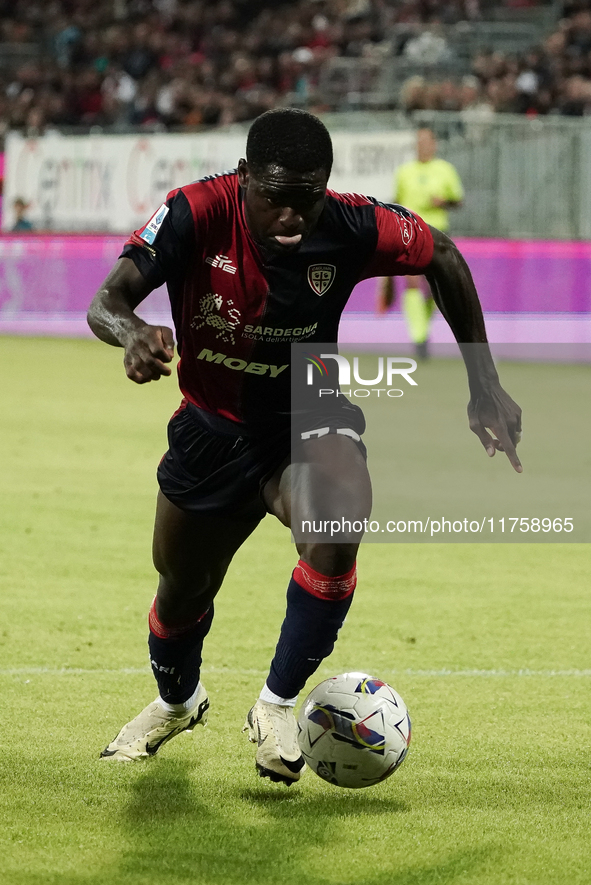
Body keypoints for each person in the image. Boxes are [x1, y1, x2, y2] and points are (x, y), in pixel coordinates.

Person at [87, 108, 522, 785]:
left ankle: (277, 704)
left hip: (311, 406)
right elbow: (107, 300)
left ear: (326, 185)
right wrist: (131, 331)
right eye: (275, 197)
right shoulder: (194, 212)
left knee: (336, 523)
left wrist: (482, 382)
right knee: (180, 591)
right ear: (244, 179)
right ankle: (178, 702)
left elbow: (440, 253)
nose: (292, 216)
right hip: (212, 425)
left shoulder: (348, 223)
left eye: (307, 197)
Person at [378, 128, 464, 359]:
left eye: (426, 142)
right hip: (410, 233)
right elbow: (396, 201)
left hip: (438, 233)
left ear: (434, 145)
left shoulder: (445, 170)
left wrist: (443, 201)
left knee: (432, 290)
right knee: (413, 284)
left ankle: (423, 330)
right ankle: (419, 338)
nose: (422, 146)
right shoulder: (404, 172)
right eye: (419, 142)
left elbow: (458, 200)